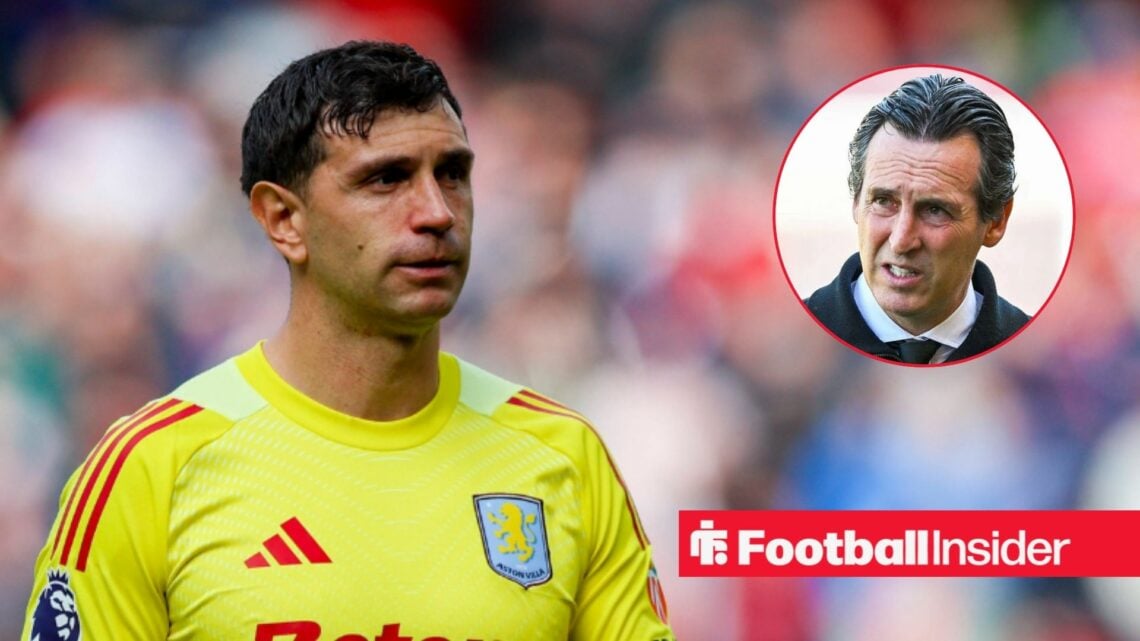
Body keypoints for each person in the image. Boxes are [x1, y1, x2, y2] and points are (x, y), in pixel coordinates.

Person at [22, 41, 674, 641]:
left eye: (451, 174)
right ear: (283, 220)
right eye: (385, 179)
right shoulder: (151, 466)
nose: (437, 212)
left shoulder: (565, 455)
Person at [804, 73, 1030, 364]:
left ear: (996, 221)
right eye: (884, 202)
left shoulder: (1036, 361)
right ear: (856, 202)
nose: (901, 241)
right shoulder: (795, 345)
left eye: (934, 210)